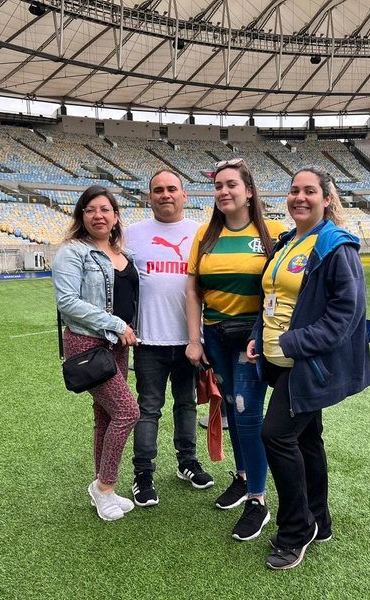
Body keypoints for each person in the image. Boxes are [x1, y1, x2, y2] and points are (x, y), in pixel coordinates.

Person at [247, 166, 370, 569]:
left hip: (305, 364)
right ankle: (320, 520)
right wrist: (257, 334)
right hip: (280, 362)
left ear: (327, 199)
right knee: (306, 440)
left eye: (309, 192)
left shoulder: (336, 246)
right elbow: (270, 298)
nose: (300, 198)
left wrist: (291, 343)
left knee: (276, 436)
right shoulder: (287, 242)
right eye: (294, 191)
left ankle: (295, 531)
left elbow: (345, 313)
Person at [185, 158, 287, 541]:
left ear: (248, 190)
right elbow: (193, 291)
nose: (224, 192)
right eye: (218, 186)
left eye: (232, 185)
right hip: (214, 336)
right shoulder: (204, 235)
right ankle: (244, 478)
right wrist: (195, 340)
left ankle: (258, 502)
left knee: (246, 414)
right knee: (229, 405)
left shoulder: (273, 233)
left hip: (252, 338)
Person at [126, 170, 214, 508]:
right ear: (149, 197)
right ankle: (143, 473)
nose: (165, 195)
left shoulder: (201, 232)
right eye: (158, 190)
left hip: (191, 339)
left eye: (172, 189)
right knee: (148, 408)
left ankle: (187, 463)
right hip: (148, 340)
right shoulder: (132, 233)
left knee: (187, 404)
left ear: (184, 195)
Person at [53, 185, 141, 522]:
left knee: (105, 416)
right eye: (90, 210)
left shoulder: (125, 255)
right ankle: (104, 487)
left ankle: (103, 489)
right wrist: (117, 324)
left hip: (117, 345)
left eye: (105, 209)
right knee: (127, 412)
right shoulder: (73, 252)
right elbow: (68, 303)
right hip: (89, 342)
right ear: (81, 216)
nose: (98, 215)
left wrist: (129, 330)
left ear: (116, 216)